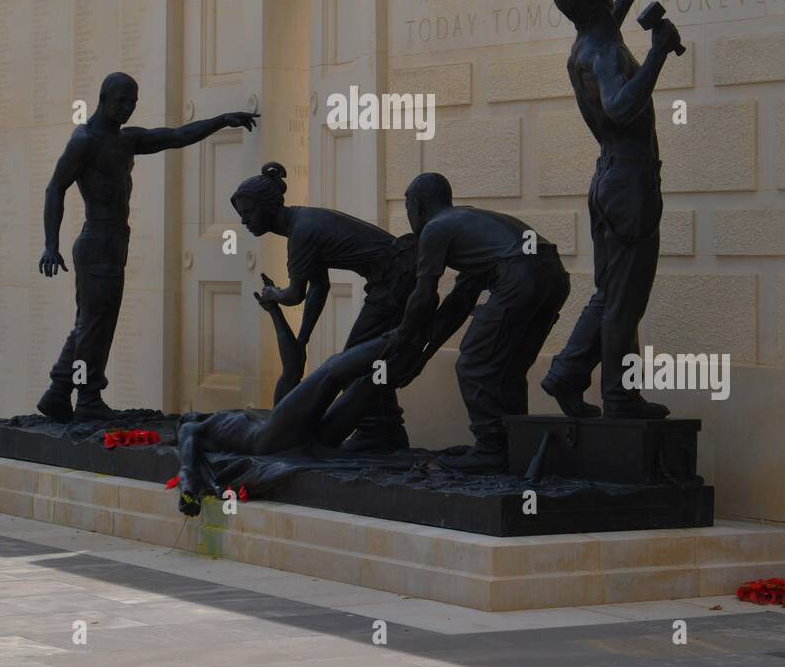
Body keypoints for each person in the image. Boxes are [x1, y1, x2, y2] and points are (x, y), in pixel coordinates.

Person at [38, 72, 258, 423]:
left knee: (90, 322)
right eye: (122, 101)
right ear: (104, 96)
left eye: (134, 103)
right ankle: (88, 396)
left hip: (113, 243)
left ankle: (58, 391)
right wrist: (51, 244)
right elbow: (55, 188)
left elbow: (175, 136)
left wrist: (221, 120)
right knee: (96, 325)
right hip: (97, 242)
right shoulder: (85, 140)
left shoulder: (125, 140)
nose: (128, 108)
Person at [540, 0, 680, 419]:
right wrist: (658, 53)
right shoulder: (605, 55)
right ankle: (620, 397)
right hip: (631, 182)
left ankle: (567, 373)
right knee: (626, 299)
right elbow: (619, 105)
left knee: (610, 292)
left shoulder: (584, 46)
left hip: (609, 179)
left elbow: (606, 33)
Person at [383, 172, 571, 471]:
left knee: (474, 365)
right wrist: (424, 356)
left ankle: (491, 448)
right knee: (508, 368)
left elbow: (424, 297)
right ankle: (512, 446)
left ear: (416, 205)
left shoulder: (434, 229)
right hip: (554, 275)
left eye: (407, 207)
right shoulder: (466, 222)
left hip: (520, 274)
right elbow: (459, 303)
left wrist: (403, 334)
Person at [176, 293, 420, 515]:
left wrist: (274, 312)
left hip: (306, 440)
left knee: (367, 386)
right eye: (184, 418)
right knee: (332, 370)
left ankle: (425, 339)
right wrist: (188, 490)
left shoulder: (255, 416)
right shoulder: (194, 429)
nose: (187, 416)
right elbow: (187, 469)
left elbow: (292, 364)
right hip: (270, 442)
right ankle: (403, 335)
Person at [231, 162, 416, 451]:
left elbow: (295, 294)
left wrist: (273, 294)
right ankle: (385, 427)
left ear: (267, 206)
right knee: (365, 358)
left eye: (248, 212)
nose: (244, 221)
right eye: (241, 214)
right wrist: (303, 340)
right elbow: (319, 287)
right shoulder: (302, 224)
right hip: (394, 276)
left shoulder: (301, 234)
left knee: (353, 361)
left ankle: (381, 431)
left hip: (394, 279)